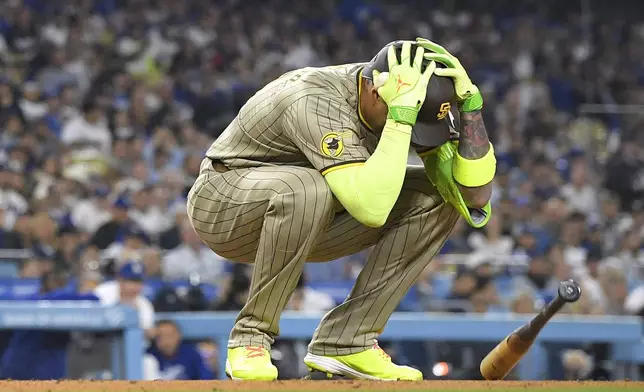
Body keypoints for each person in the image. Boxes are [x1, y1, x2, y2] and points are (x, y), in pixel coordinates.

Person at [187, 39, 496, 380]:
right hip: (224, 204)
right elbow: (372, 210)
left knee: (437, 196)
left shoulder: (415, 103)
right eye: (409, 118)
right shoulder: (314, 98)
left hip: (309, 220)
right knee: (308, 189)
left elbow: (474, 197)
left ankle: (348, 342)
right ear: (373, 90)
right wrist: (401, 117)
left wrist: (471, 111)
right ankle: (250, 338)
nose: (413, 133)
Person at [0, 268, 98, 380]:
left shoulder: (27, 300)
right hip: (39, 373)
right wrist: (88, 290)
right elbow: (94, 298)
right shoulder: (58, 298)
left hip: (13, 369)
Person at [147, 320, 215, 380]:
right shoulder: (150, 356)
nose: (166, 341)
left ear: (179, 335)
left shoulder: (191, 353)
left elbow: (206, 378)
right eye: (161, 337)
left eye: (170, 335)